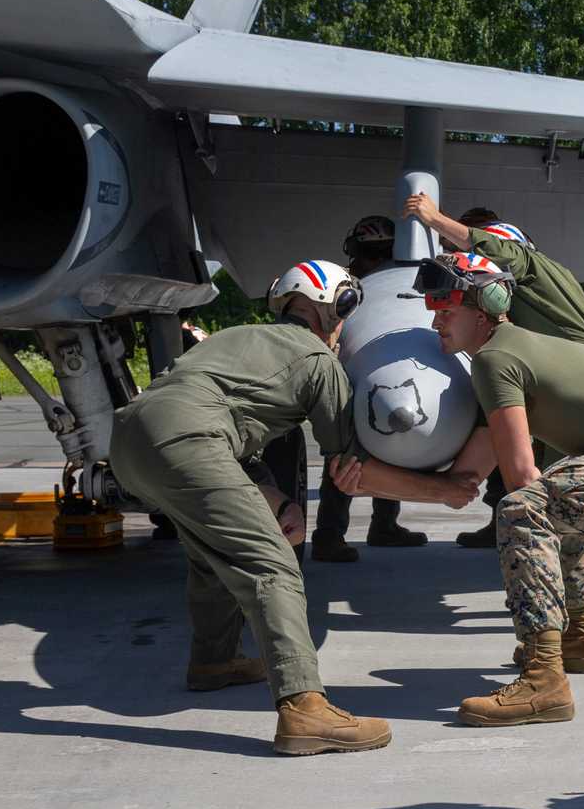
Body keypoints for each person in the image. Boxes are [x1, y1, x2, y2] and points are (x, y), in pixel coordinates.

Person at [109, 260, 476, 755]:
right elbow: (352, 468)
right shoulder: (319, 361)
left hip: (130, 442)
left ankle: (214, 661)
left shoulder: (237, 337)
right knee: (272, 566)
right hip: (190, 439)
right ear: (339, 309)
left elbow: (228, 430)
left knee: (210, 547)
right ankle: (304, 708)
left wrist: (275, 495)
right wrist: (443, 491)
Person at [332, 252, 584, 722]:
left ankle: (543, 679)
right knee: (554, 502)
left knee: (523, 509)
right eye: (432, 309)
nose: (435, 320)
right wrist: (380, 481)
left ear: (483, 311)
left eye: (446, 311)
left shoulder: (495, 359)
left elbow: (520, 479)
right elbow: (466, 479)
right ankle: (575, 638)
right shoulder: (507, 351)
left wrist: (378, 479)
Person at [401, 198, 584, 635]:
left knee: (574, 491)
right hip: (557, 387)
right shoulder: (529, 298)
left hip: (574, 391)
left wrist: (433, 219)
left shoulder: (535, 268)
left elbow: (502, 256)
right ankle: (581, 596)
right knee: (543, 477)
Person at [311, 215, 427, 562]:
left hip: (369, 379)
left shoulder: (374, 286)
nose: (364, 261)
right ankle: (328, 536)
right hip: (346, 380)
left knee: (388, 443)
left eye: (371, 253)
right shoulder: (347, 287)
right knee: (346, 455)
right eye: (364, 253)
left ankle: (383, 526)